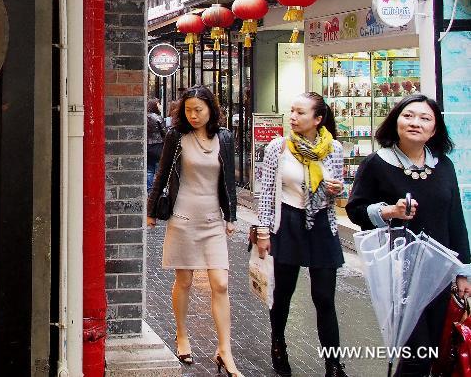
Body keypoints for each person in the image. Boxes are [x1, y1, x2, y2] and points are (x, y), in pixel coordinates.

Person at [346, 94, 471, 377]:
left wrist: (463, 272)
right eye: (408, 115)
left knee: (432, 353)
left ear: (435, 128)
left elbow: (455, 220)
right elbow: (355, 210)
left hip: (439, 274)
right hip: (398, 274)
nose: (416, 123)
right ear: (396, 121)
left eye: (425, 118)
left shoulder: (444, 166)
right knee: (417, 354)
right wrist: (390, 211)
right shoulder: (376, 163)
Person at [146, 86, 240, 376]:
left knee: (220, 283)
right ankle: (182, 334)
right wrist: (151, 211)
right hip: (182, 217)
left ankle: (225, 349)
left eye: (199, 109)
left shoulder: (223, 137)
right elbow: (162, 173)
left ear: (211, 109)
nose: (194, 115)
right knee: (184, 279)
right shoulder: (176, 136)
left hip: (212, 219)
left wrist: (231, 215)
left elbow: (229, 180)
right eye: (188, 110)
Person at [254, 92, 348, 377]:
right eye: (291, 111)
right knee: (283, 294)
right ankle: (278, 343)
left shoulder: (333, 148)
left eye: (300, 113)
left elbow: (340, 191)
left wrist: (337, 190)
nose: (292, 117)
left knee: (324, 297)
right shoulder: (278, 147)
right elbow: (266, 192)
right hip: (288, 222)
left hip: (322, 224)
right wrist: (262, 231)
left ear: (318, 119)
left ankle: (333, 363)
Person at [146, 98, 166, 190]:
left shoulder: (144, 117)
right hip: (157, 146)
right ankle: (158, 189)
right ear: (155, 105)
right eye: (159, 104)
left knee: (149, 170)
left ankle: (149, 190)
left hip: (147, 146)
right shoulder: (157, 117)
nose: (160, 106)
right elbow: (164, 132)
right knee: (159, 169)